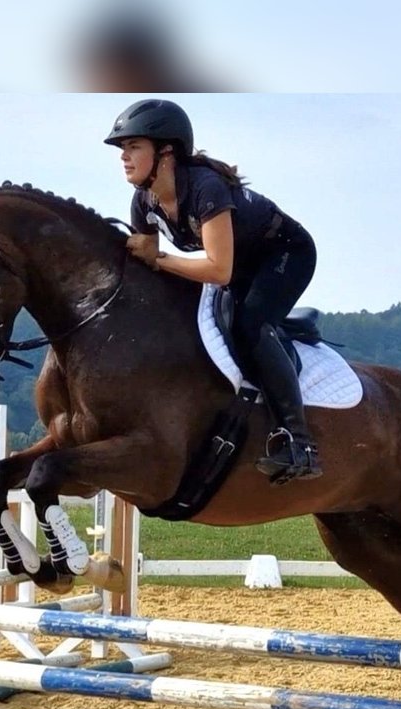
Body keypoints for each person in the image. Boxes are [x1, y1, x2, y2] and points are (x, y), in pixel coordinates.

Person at [104, 98, 322, 483]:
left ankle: (298, 441)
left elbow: (218, 270)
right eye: (123, 149)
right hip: (242, 262)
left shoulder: (206, 188)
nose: (124, 157)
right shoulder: (144, 201)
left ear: (166, 152)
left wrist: (158, 260)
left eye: (134, 147)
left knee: (249, 326)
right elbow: (147, 259)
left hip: (285, 253)